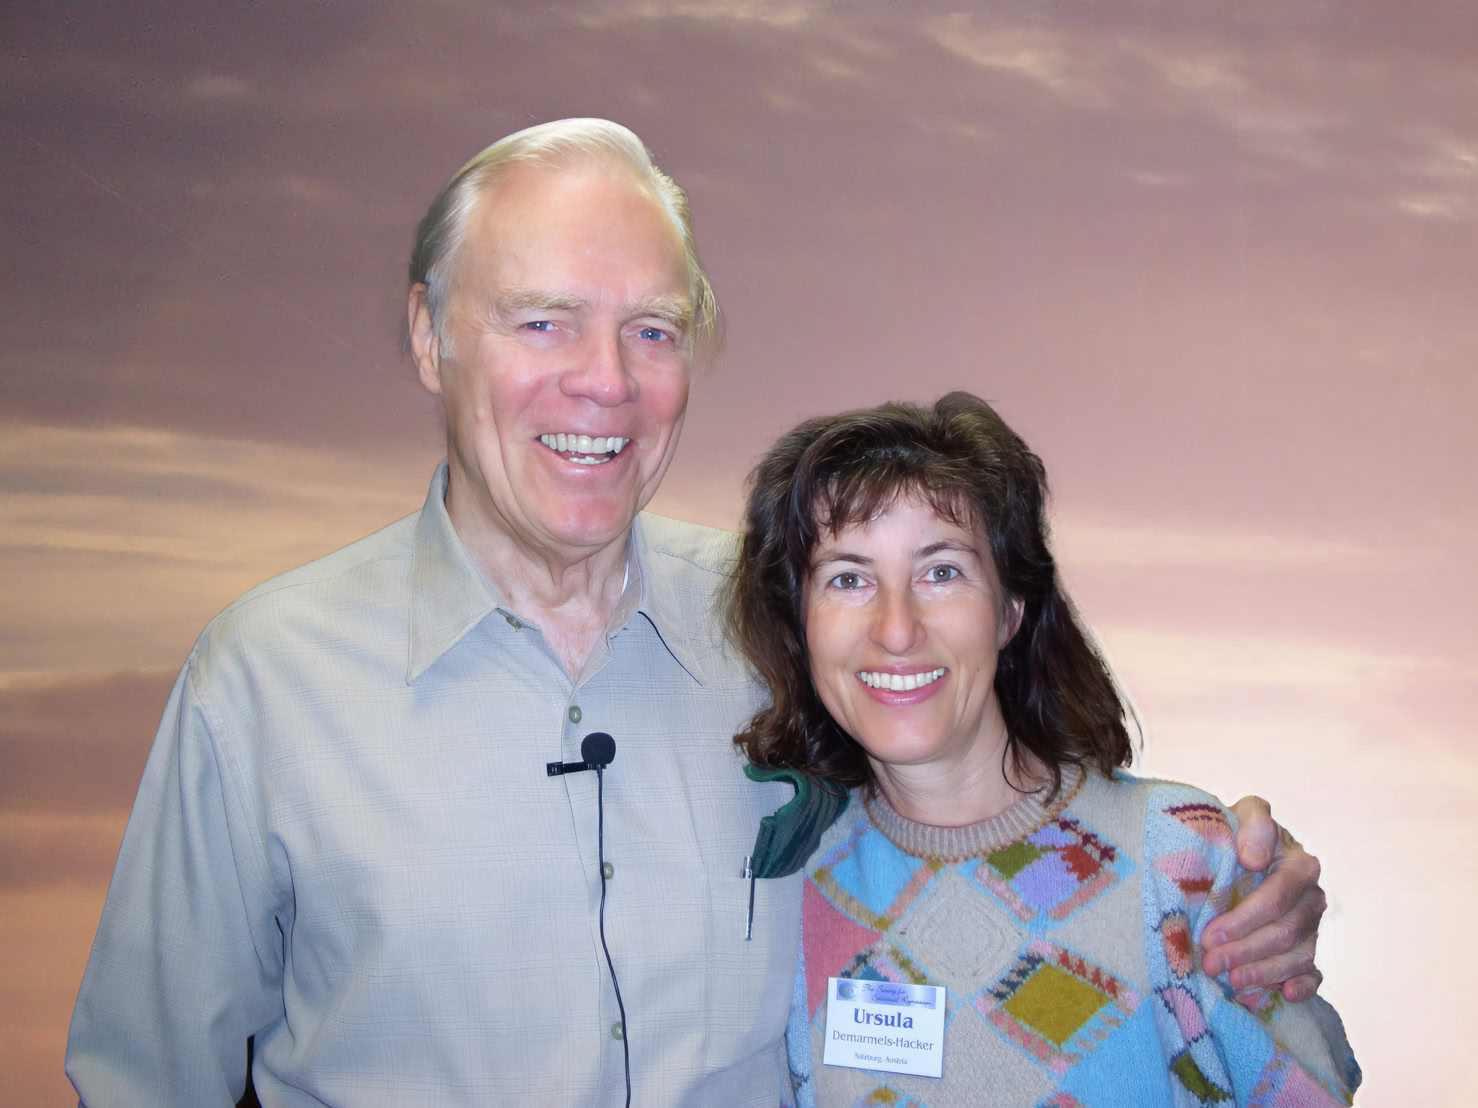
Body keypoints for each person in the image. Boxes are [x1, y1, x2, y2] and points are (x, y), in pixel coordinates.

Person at [66, 121, 1324, 1105]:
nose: (602, 380)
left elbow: (996, 826)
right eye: (541, 318)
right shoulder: (263, 680)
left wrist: (1229, 875)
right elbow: (147, 1082)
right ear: (427, 334)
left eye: (651, 328)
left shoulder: (792, 630)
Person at [726, 392, 1360, 1106]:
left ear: (1010, 611)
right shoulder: (796, 889)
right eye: (847, 578)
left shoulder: (1180, 859)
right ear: (800, 624)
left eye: (942, 571)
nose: (895, 627)